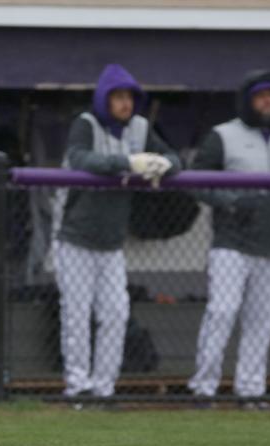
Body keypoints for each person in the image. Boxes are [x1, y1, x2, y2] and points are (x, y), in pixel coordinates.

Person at [188, 70, 270, 409]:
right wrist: (229, 200)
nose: (268, 101)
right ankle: (204, 389)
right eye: (261, 95)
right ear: (247, 100)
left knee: (261, 320)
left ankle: (250, 391)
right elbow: (194, 181)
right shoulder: (223, 135)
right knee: (222, 311)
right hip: (231, 242)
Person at [52, 63, 181, 403]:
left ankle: (104, 388)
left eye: (129, 97)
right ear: (104, 99)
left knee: (116, 313)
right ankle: (77, 387)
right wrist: (129, 163)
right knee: (77, 315)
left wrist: (163, 165)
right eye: (118, 97)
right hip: (75, 237)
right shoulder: (87, 123)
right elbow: (81, 159)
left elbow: (174, 158)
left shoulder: (139, 126)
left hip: (112, 243)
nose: (125, 104)